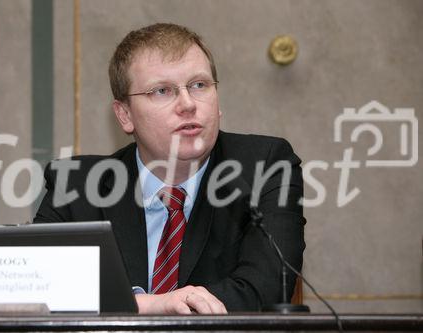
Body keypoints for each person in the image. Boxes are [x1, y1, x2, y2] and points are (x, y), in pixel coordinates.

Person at [34, 23, 305, 314]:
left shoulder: (265, 165)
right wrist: (154, 305)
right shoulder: (76, 186)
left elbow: (265, 290)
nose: (188, 104)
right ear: (125, 115)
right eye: (162, 91)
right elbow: (39, 288)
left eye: (199, 85)